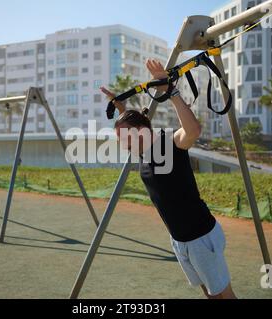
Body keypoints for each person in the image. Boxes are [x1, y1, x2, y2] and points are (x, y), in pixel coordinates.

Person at [100, 59, 236, 299]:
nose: (124, 143)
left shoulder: (168, 144)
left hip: (200, 237)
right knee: (210, 293)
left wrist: (170, 91)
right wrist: (122, 109)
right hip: (180, 240)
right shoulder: (143, 151)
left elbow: (193, 130)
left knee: (223, 296)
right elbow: (136, 121)